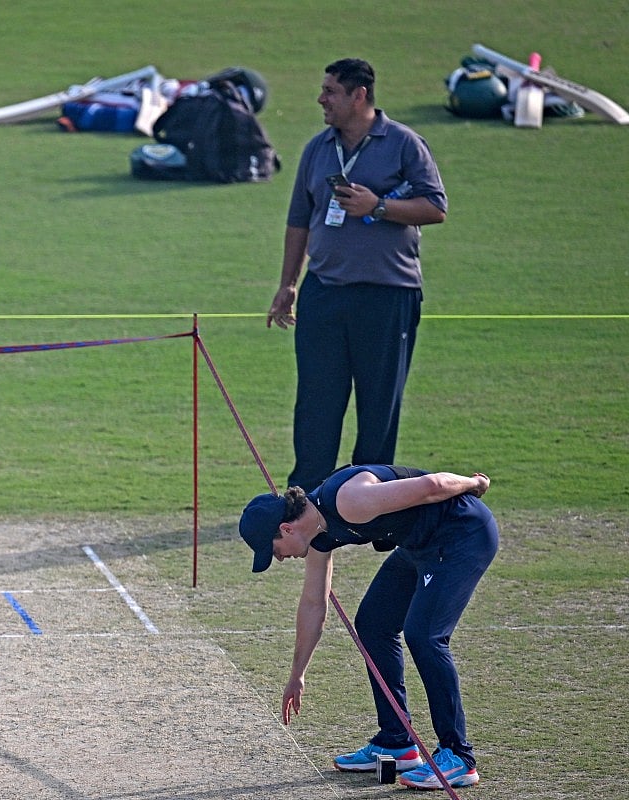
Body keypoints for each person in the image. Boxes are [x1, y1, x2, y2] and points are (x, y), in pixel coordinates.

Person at [238, 464, 498, 789]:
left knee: (425, 635)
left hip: (462, 534)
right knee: (373, 623)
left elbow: (432, 485)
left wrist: (474, 483)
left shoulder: (348, 501)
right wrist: (296, 675)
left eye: (273, 550)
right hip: (419, 544)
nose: (277, 558)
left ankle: (458, 757)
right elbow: (313, 606)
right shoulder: (318, 537)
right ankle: (397, 741)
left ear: (287, 529)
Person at [267, 59, 448, 492]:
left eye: (330, 91)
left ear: (358, 96)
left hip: (387, 296)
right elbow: (299, 220)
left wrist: (378, 207)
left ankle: (367, 498)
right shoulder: (317, 148)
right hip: (324, 292)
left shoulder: (404, 144)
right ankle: (306, 495)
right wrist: (289, 283)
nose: (321, 99)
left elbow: (436, 208)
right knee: (315, 401)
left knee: (378, 405)